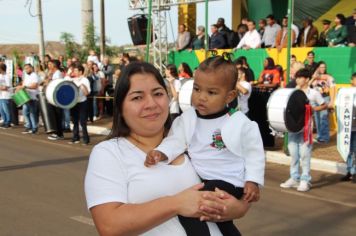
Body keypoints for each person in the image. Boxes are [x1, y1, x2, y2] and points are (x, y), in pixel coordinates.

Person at [84, 61, 250, 236]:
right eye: (137, 97)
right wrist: (176, 204)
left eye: (157, 94)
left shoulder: (192, 139)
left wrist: (240, 208)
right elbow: (109, 226)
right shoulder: (109, 153)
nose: (151, 104)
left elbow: (238, 175)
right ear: (120, 107)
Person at [145, 56, 264, 236]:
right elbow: (175, 140)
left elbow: (254, 153)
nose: (201, 97)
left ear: (229, 96)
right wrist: (161, 152)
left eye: (212, 92)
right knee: (222, 222)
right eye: (197, 89)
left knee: (191, 210)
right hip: (202, 180)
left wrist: (253, 181)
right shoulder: (188, 118)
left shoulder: (239, 122)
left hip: (230, 181)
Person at [280, 68, 327, 192]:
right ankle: (294, 178)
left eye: (300, 77)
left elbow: (324, 105)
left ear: (306, 79)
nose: (297, 79)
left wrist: (313, 109)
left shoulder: (314, 93)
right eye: (297, 77)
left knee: (305, 155)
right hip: (293, 127)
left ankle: (305, 180)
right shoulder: (292, 93)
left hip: (306, 128)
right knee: (294, 154)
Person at [309, 61, 336, 143]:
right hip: (315, 100)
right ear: (317, 68)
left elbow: (333, 88)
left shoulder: (329, 77)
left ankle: (325, 138)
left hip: (325, 98)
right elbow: (309, 85)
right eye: (321, 67)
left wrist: (332, 101)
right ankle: (320, 136)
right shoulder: (313, 77)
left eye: (324, 67)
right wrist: (314, 77)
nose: (323, 68)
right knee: (317, 119)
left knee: (324, 118)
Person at [68, 65, 90, 145]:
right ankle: (75, 138)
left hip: (82, 103)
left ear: (81, 72)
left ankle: (86, 139)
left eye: (76, 71)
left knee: (83, 122)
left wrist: (82, 86)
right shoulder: (72, 80)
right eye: (74, 71)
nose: (74, 72)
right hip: (74, 103)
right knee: (75, 121)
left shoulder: (85, 80)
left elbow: (87, 93)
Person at [340, 73, 356, 183]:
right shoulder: (346, 92)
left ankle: (354, 172)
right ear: (351, 80)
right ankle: (349, 171)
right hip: (347, 127)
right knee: (347, 150)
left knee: (355, 150)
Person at [46, 59, 65, 140]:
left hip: (57, 98)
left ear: (54, 65)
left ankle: (58, 133)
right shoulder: (54, 73)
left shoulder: (58, 74)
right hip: (53, 98)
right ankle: (57, 133)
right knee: (55, 115)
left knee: (57, 116)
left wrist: (49, 81)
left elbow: (56, 85)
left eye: (50, 64)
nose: (48, 66)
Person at [19, 64, 40, 134]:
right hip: (26, 97)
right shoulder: (26, 75)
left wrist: (25, 87)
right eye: (25, 69)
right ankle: (28, 126)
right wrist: (20, 88)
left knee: (32, 113)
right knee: (25, 112)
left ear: (31, 68)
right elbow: (23, 85)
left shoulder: (34, 75)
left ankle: (34, 128)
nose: (26, 70)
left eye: (27, 68)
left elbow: (35, 86)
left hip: (33, 97)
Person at [0, 63, 12, 129]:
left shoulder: (7, 76)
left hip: (6, 95)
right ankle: (4, 121)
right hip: (1, 96)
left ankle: (8, 122)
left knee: (6, 110)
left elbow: (7, 87)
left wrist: (1, 88)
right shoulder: (0, 76)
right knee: (1, 110)